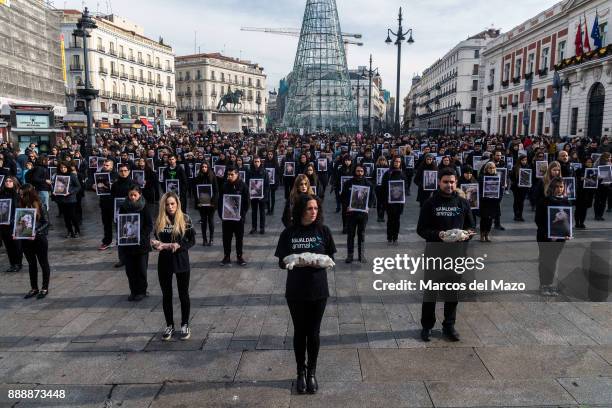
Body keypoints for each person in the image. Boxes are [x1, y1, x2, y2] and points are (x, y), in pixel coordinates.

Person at [274, 194, 336, 394]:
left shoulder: (323, 231)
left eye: (316, 209)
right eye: (309, 208)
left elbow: (330, 258)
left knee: (314, 332)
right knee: (300, 332)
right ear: (301, 210)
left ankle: (312, 372)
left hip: (318, 290)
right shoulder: (289, 233)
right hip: (296, 290)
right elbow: (281, 262)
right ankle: (300, 371)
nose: (313, 212)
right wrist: (297, 261)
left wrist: (317, 261)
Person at [417, 168, 475, 342]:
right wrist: (439, 235)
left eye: (452, 182)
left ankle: (449, 325)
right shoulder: (430, 203)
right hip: (434, 254)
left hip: (456, 256)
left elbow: (472, 227)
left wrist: (464, 235)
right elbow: (421, 229)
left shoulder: (463, 203)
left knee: (452, 293)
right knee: (430, 292)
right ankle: (427, 326)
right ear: (439, 183)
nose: (449, 185)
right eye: (445, 182)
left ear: (456, 183)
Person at [152, 192, 195, 341]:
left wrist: (180, 245)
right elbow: (156, 240)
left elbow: (192, 240)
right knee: (167, 295)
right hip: (164, 262)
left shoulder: (185, 219)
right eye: (167, 204)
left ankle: (185, 324)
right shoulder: (159, 220)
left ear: (177, 204)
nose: (170, 207)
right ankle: (169, 325)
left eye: (173, 204)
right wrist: (155, 244)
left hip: (181, 261)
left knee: (184, 294)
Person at [535, 177, 571, 296]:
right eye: (556, 187)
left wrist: (567, 233)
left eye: (561, 187)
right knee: (545, 260)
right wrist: (549, 234)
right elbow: (538, 220)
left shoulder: (566, 201)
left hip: (559, 237)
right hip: (545, 237)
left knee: (554, 260)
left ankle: (549, 284)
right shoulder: (544, 201)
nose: (559, 189)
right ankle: (543, 285)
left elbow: (568, 221)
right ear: (551, 188)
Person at [119, 186, 153, 301]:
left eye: (135, 195)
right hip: (128, 244)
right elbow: (120, 224)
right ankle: (133, 291)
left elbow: (149, 225)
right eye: (131, 195)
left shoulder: (144, 207)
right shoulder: (124, 207)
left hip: (141, 245)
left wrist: (141, 235)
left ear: (139, 195)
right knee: (130, 270)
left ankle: (142, 291)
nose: (133, 197)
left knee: (141, 269)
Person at [19, 185, 51, 299]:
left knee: (43, 263)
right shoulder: (21, 205)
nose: (20, 196)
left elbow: (46, 223)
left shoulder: (40, 205)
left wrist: (35, 232)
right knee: (31, 264)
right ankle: (34, 288)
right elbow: (20, 223)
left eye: (22, 194)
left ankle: (45, 288)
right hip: (26, 240)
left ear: (29, 194)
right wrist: (17, 231)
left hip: (39, 239)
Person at [341, 164, 374, 263]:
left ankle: (361, 255)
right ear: (354, 171)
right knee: (350, 235)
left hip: (363, 215)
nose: (359, 173)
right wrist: (347, 206)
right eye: (357, 171)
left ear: (364, 172)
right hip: (351, 214)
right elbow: (343, 197)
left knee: (361, 234)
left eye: (361, 171)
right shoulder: (348, 183)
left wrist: (368, 207)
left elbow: (372, 198)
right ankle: (350, 255)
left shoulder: (368, 184)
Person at [218, 166, 250, 266]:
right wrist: (221, 215)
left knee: (239, 238)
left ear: (237, 174)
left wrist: (242, 215)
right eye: (228, 174)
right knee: (226, 238)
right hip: (227, 219)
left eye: (232, 174)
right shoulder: (224, 186)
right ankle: (226, 256)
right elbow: (220, 202)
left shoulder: (243, 186)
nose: (230, 176)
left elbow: (246, 202)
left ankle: (239, 256)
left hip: (238, 219)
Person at [381, 156, 406, 244]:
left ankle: (395, 238)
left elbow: (405, 188)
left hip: (399, 201)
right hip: (389, 201)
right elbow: (383, 188)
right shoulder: (388, 173)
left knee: (397, 220)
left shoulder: (402, 174)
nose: (397, 163)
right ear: (393, 162)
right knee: (390, 220)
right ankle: (389, 237)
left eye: (399, 162)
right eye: (395, 161)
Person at [53, 161, 81, 238]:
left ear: (68, 167)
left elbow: (78, 186)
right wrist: (54, 192)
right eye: (61, 167)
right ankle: (69, 231)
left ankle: (77, 230)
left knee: (72, 216)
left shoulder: (72, 175)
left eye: (64, 167)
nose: (63, 169)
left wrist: (70, 192)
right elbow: (55, 186)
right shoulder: (57, 176)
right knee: (66, 217)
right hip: (61, 199)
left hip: (71, 199)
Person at [0, 177, 23, 272]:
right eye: (6, 181)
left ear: (14, 183)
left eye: (10, 181)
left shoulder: (18, 194)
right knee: (8, 245)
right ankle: (12, 264)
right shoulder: (1, 194)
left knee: (17, 245)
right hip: (3, 223)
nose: (8, 183)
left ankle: (18, 263)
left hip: (15, 222)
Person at [193, 162, 218, 246]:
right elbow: (195, 191)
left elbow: (216, 191)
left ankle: (211, 238)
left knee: (210, 221)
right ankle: (204, 239)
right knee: (203, 221)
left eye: (205, 167)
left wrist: (213, 202)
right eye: (202, 167)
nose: (204, 168)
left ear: (208, 168)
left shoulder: (213, 177)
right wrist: (198, 202)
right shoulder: (197, 178)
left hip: (211, 204)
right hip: (202, 204)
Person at [478, 162, 502, 242]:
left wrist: (499, 198)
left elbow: (500, 190)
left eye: (493, 168)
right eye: (490, 168)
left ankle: (487, 234)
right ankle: (482, 235)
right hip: (484, 202)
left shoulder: (497, 177)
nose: (492, 169)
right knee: (484, 219)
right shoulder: (481, 177)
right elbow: (479, 189)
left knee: (490, 219)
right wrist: (482, 197)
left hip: (494, 202)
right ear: (486, 169)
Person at [98, 159, 118, 251]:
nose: (105, 166)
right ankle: (107, 241)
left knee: (117, 222)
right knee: (106, 223)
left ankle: (120, 239)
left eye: (107, 165)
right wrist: (94, 186)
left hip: (115, 202)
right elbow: (96, 185)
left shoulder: (117, 175)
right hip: (104, 202)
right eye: (104, 165)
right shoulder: (99, 174)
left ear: (112, 166)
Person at [247, 156, 269, 234]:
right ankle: (254, 227)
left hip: (262, 196)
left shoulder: (264, 171)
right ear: (253, 162)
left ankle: (262, 228)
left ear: (260, 162)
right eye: (255, 161)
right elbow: (247, 184)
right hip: (253, 196)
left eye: (258, 161)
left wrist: (263, 195)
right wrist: (250, 194)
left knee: (262, 212)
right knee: (254, 212)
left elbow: (267, 185)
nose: (256, 163)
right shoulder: (250, 172)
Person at [510, 154, 530, 221]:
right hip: (516, 188)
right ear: (520, 160)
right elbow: (512, 177)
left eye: (525, 160)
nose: (524, 161)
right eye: (523, 160)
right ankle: (516, 215)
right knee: (516, 201)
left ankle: (520, 215)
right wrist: (516, 183)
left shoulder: (527, 167)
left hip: (524, 188)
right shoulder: (515, 167)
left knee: (521, 202)